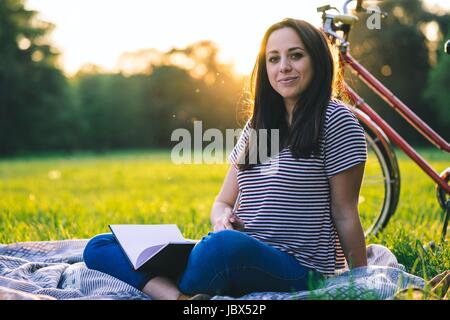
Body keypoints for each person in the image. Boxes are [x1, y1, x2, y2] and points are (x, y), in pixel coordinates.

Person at [83, 18, 368, 300]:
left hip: (296, 268)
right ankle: (177, 298)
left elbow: (344, 212)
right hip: (235, 252)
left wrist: (361, 280)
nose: (283, 67)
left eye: (296, 55)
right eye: (273, 58)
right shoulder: (259, 127)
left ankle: (165, 279)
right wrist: (222, 219)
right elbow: (222, 202)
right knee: (100, 245)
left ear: (317, 60)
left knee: (221, 247)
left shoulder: (336, 120)